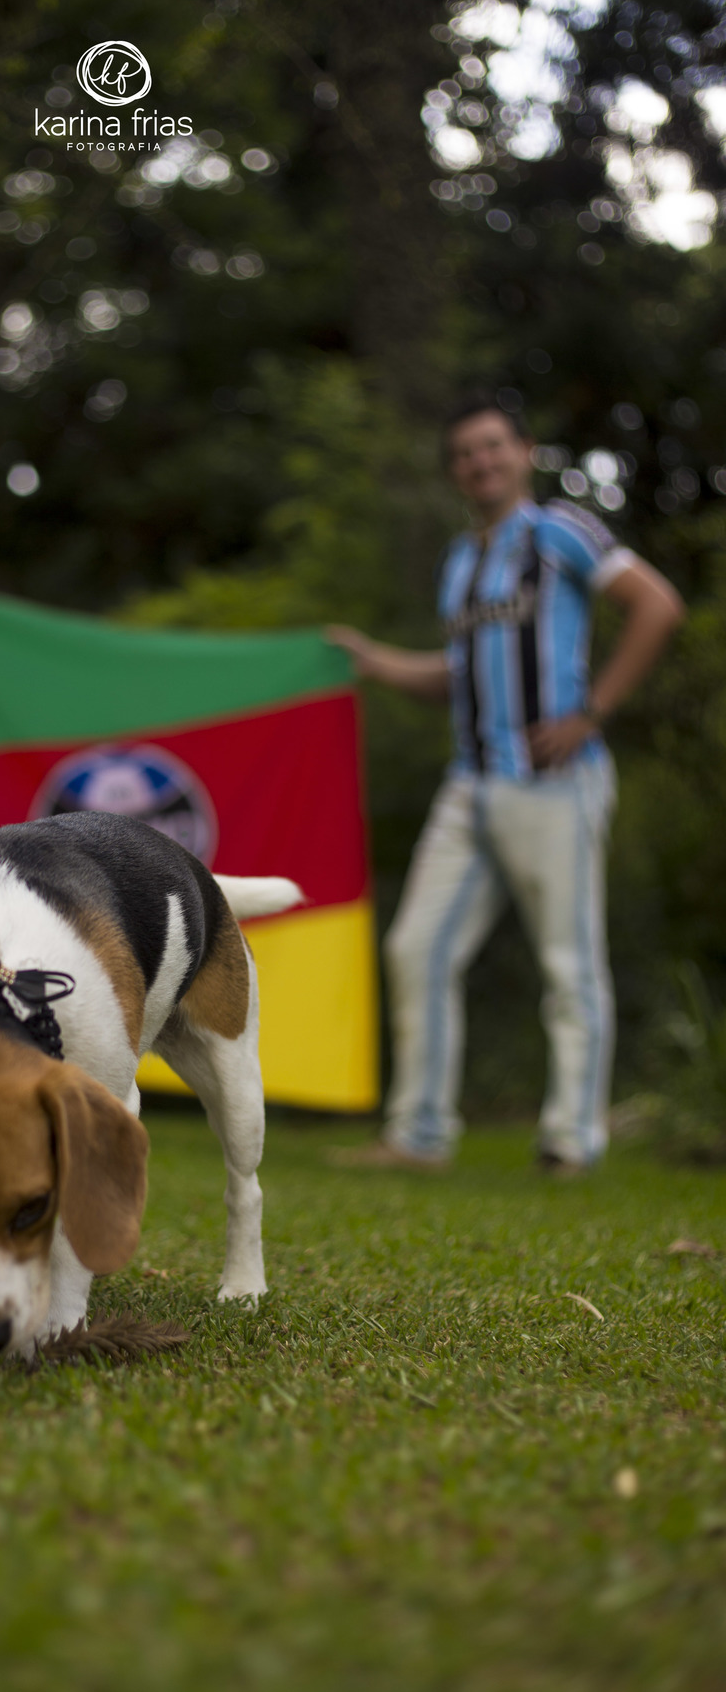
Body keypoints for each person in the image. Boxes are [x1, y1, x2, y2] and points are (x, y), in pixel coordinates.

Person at [329, 390, 684, 1175]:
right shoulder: (461, 562)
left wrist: (590, 712)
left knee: (568, 963)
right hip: (471, 786)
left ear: (524, 452)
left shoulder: (561, 531)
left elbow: (657, 605)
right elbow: (459, 676)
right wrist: (374, 659)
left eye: (492, 446)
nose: (478, 462)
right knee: (416, 947)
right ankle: (419, 1135)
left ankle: (571, 1140)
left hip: (555, 782)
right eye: (464, 453)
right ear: (454, 470)